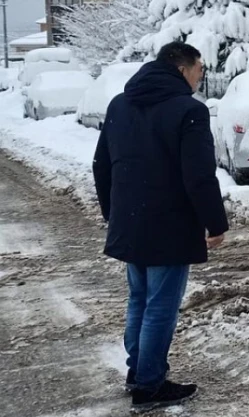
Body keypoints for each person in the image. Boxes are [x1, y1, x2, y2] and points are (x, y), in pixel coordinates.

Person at [92, 42, 228, 413]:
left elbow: (101, 165)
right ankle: (149, 386)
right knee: (160, 307)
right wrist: (215, 223)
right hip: (170, 225)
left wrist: (113, 214)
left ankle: (139, 372)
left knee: (139, 299)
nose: (202, 75)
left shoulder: (120, 104)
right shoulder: (190, 111)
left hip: (130, 222)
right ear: (183, 68)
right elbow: (199, 177)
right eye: (200, 68)